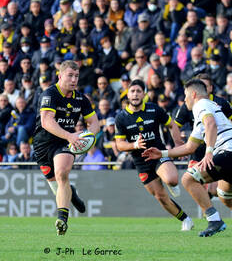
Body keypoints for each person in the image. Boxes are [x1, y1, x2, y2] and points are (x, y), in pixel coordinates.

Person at [143, 79, 232, 237]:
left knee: (188, 179)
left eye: (185, 96)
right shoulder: (205, 112)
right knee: (224, 195)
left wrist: (209, 152)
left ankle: (214, 220)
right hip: (227, 153)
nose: (184, 100)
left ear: (194, 94)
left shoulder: (201, 105)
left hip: (227, 151)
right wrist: (162, 153)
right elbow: (189, 147)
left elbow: (211, 124)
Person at [115, 79, 193, 231]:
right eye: (132, 91)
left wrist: (178, 143)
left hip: (158, 154)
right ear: (128, 95)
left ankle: (172, 183)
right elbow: (119, 145)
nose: (135, 94)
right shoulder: (121, 117)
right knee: (160, 197)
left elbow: (171, 125)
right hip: (141, 162)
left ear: (144, 94)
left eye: (138, 91)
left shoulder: (154, 109)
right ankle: (186, 220)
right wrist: (134, 145)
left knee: (171, 179)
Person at [32, 60, 100, 235]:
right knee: (56, 183)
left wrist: (88, 138)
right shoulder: (50, 94)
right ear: (60, 76)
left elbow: (94, 123)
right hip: (43, 144)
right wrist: (70, 135)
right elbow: (47, 121)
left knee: (62, 173)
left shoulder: (81, 99)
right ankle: (73, 194)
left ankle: (62, 220)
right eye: (70, 75)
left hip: (65, 143)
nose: (74, 79)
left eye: (76, 76)